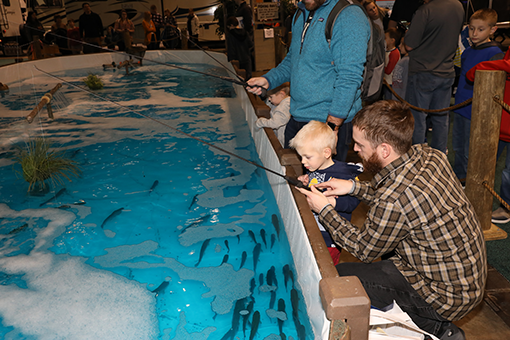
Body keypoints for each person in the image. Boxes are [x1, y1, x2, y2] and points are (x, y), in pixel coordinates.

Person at [297, 100, 486, 340]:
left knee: (340, 278)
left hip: (446, 295)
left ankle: (434, 329)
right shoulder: (428, 154)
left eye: (360, 144)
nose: (355, 149)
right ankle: (440, 328)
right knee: (386, 258)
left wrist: (324, 210)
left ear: (384, 150)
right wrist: (352, 187)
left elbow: (363, 248)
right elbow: (396, 193)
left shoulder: (393, 200)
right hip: (466, 279)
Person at [247, 0, 370, 162]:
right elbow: (294, 59)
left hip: (325, 123)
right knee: (293, 179)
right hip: (297, 117)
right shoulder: (301, 12)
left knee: (322, 185)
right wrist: (268, 79)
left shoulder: (348, 15)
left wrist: (332, 126)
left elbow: (349, 76)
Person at [290, 121, 361, 265]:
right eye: (301, 157)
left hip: (330, 239)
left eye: (307, 157)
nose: (303, 162)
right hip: (313, 228)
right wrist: (306, 180)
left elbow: (353, 201)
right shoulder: (314, 168)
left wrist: (333, 202)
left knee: (323, 268)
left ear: (326, 152)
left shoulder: (344, 173)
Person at [404, 0, 464, 154]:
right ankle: (439, 157)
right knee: (441, 118)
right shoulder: (458, 6)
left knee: (417, 118)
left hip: (423, 71)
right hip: (446, 71)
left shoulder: (425, 10)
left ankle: (417, 157)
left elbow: (409, 45)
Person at [452, 9, 503, 184]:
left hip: (476, 110)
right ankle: (459, 179)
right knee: (458, 147)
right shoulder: (467, 52)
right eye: (472, 28)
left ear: (492, 30)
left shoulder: (495, 54)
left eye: (480, 29)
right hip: (460, 106)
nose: (474, 33)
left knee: (470, 151)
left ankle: (469, 184)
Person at [466, 49, 510, 224]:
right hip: (497, 126)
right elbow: (471, 74)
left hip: (502, 125)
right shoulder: (503, 57)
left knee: (508, 173)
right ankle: (475, 201)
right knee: (481, 164)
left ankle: (506, 206)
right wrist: (504, 65)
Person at [225, 16, 253, 80]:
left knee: (239, 79)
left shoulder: (230, 35)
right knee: (248, 79)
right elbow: (250, 44)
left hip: (237, 61)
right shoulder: (245, 32)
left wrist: (230, 60)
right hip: (247, 59)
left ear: (231, 25)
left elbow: (231, 49)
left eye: (228, 26)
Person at [383, 27, 401, 100]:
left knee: (389, 100)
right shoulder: (387, 51)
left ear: (392, 40)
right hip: (386, 82)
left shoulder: (394, 53)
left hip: (390, 83)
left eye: (385, 38)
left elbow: (388, 70)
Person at [391, 36, 409, 101]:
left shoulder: (405, 61)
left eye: (402, 44)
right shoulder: (405, 60)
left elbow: (399, 83)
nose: (399, 46)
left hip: (400, 97)